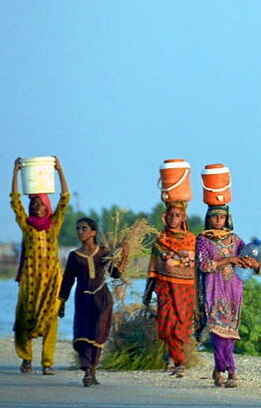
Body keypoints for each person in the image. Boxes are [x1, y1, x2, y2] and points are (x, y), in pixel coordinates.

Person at [10, 156, 69, 375]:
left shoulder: (54, 224)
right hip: (30, 280)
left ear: (47, 207)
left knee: (51, 318)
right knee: (25, 316)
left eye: (41, 204)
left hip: (52, 280)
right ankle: (26, 358)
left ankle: (47, 362)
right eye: (34, 204)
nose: (37, 207)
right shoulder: (26, 226)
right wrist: (15, 173)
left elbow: (65, 198)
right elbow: (15, 202)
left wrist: (59, 170)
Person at [196, 205, 259, 388]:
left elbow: (246, 258)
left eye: (222, 217)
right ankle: (230, 370)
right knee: (217, 331)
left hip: (234, 289)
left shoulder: (235, 239)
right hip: (214, 289)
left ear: (227, 219)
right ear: (209, 218)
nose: (218, 220)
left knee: (229, 333)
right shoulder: (203, 239)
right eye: (215, 217)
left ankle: (219, 370)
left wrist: (253, 262)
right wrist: (229, 260)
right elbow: (204, 265)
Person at [59, 218, 127, 386]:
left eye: (84, 228)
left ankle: (93, 369)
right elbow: (67, 280)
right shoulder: (74, 256)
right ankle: (87, 369)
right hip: (83, 298)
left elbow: (116, 274)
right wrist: (61, 302)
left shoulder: (104, 252)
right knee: (82, 334)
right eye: (78, 228)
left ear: (93, 232)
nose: (80, 231)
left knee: (98, 333)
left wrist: (125, 254)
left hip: (102, 298)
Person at [143, 201, 197, 378]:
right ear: (165, 217)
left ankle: (178, 361)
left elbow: (197, 268)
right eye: (171, 215)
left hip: (186, 290)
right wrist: (148, 292)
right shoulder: (160, 242)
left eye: (177, 215)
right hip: (165, 288)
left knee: (181, 325)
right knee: (166, 326)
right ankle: (174, 357)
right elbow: (153, 268)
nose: (174, 219)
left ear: (183, 218)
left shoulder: (192, 240)